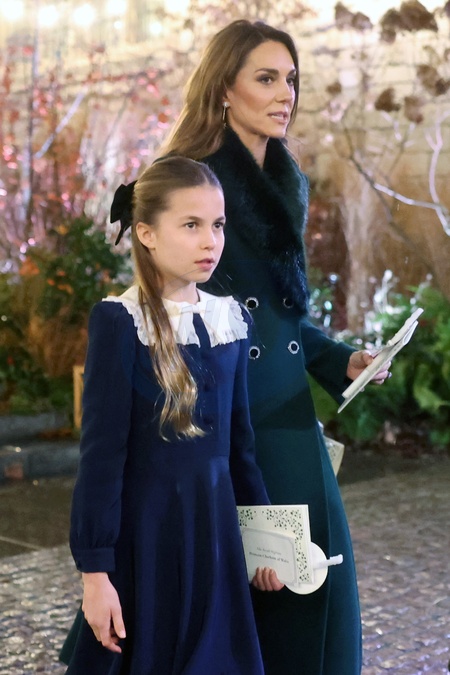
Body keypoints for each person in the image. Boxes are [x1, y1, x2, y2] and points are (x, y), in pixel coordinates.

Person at [160, 20, 391, 675]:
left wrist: (339, 359)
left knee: (320, 593)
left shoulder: (287, 180)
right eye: (266, 78)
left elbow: (281, 320)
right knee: (257, 607)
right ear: (223, 89)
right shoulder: (191, 184)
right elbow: (177, 323)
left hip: (289, 417)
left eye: (290, 79)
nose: (285, 93)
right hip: (231, 422)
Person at [61, 156, 282, 675]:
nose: (211, 241)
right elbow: (102, 457)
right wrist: (95, 574)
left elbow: (241, 447)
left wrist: (266, 542)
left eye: (217, 225)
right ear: (147, 233)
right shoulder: (122, 322)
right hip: (149, 540)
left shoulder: (230, 320)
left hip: (215, 537)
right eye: (191, 225)